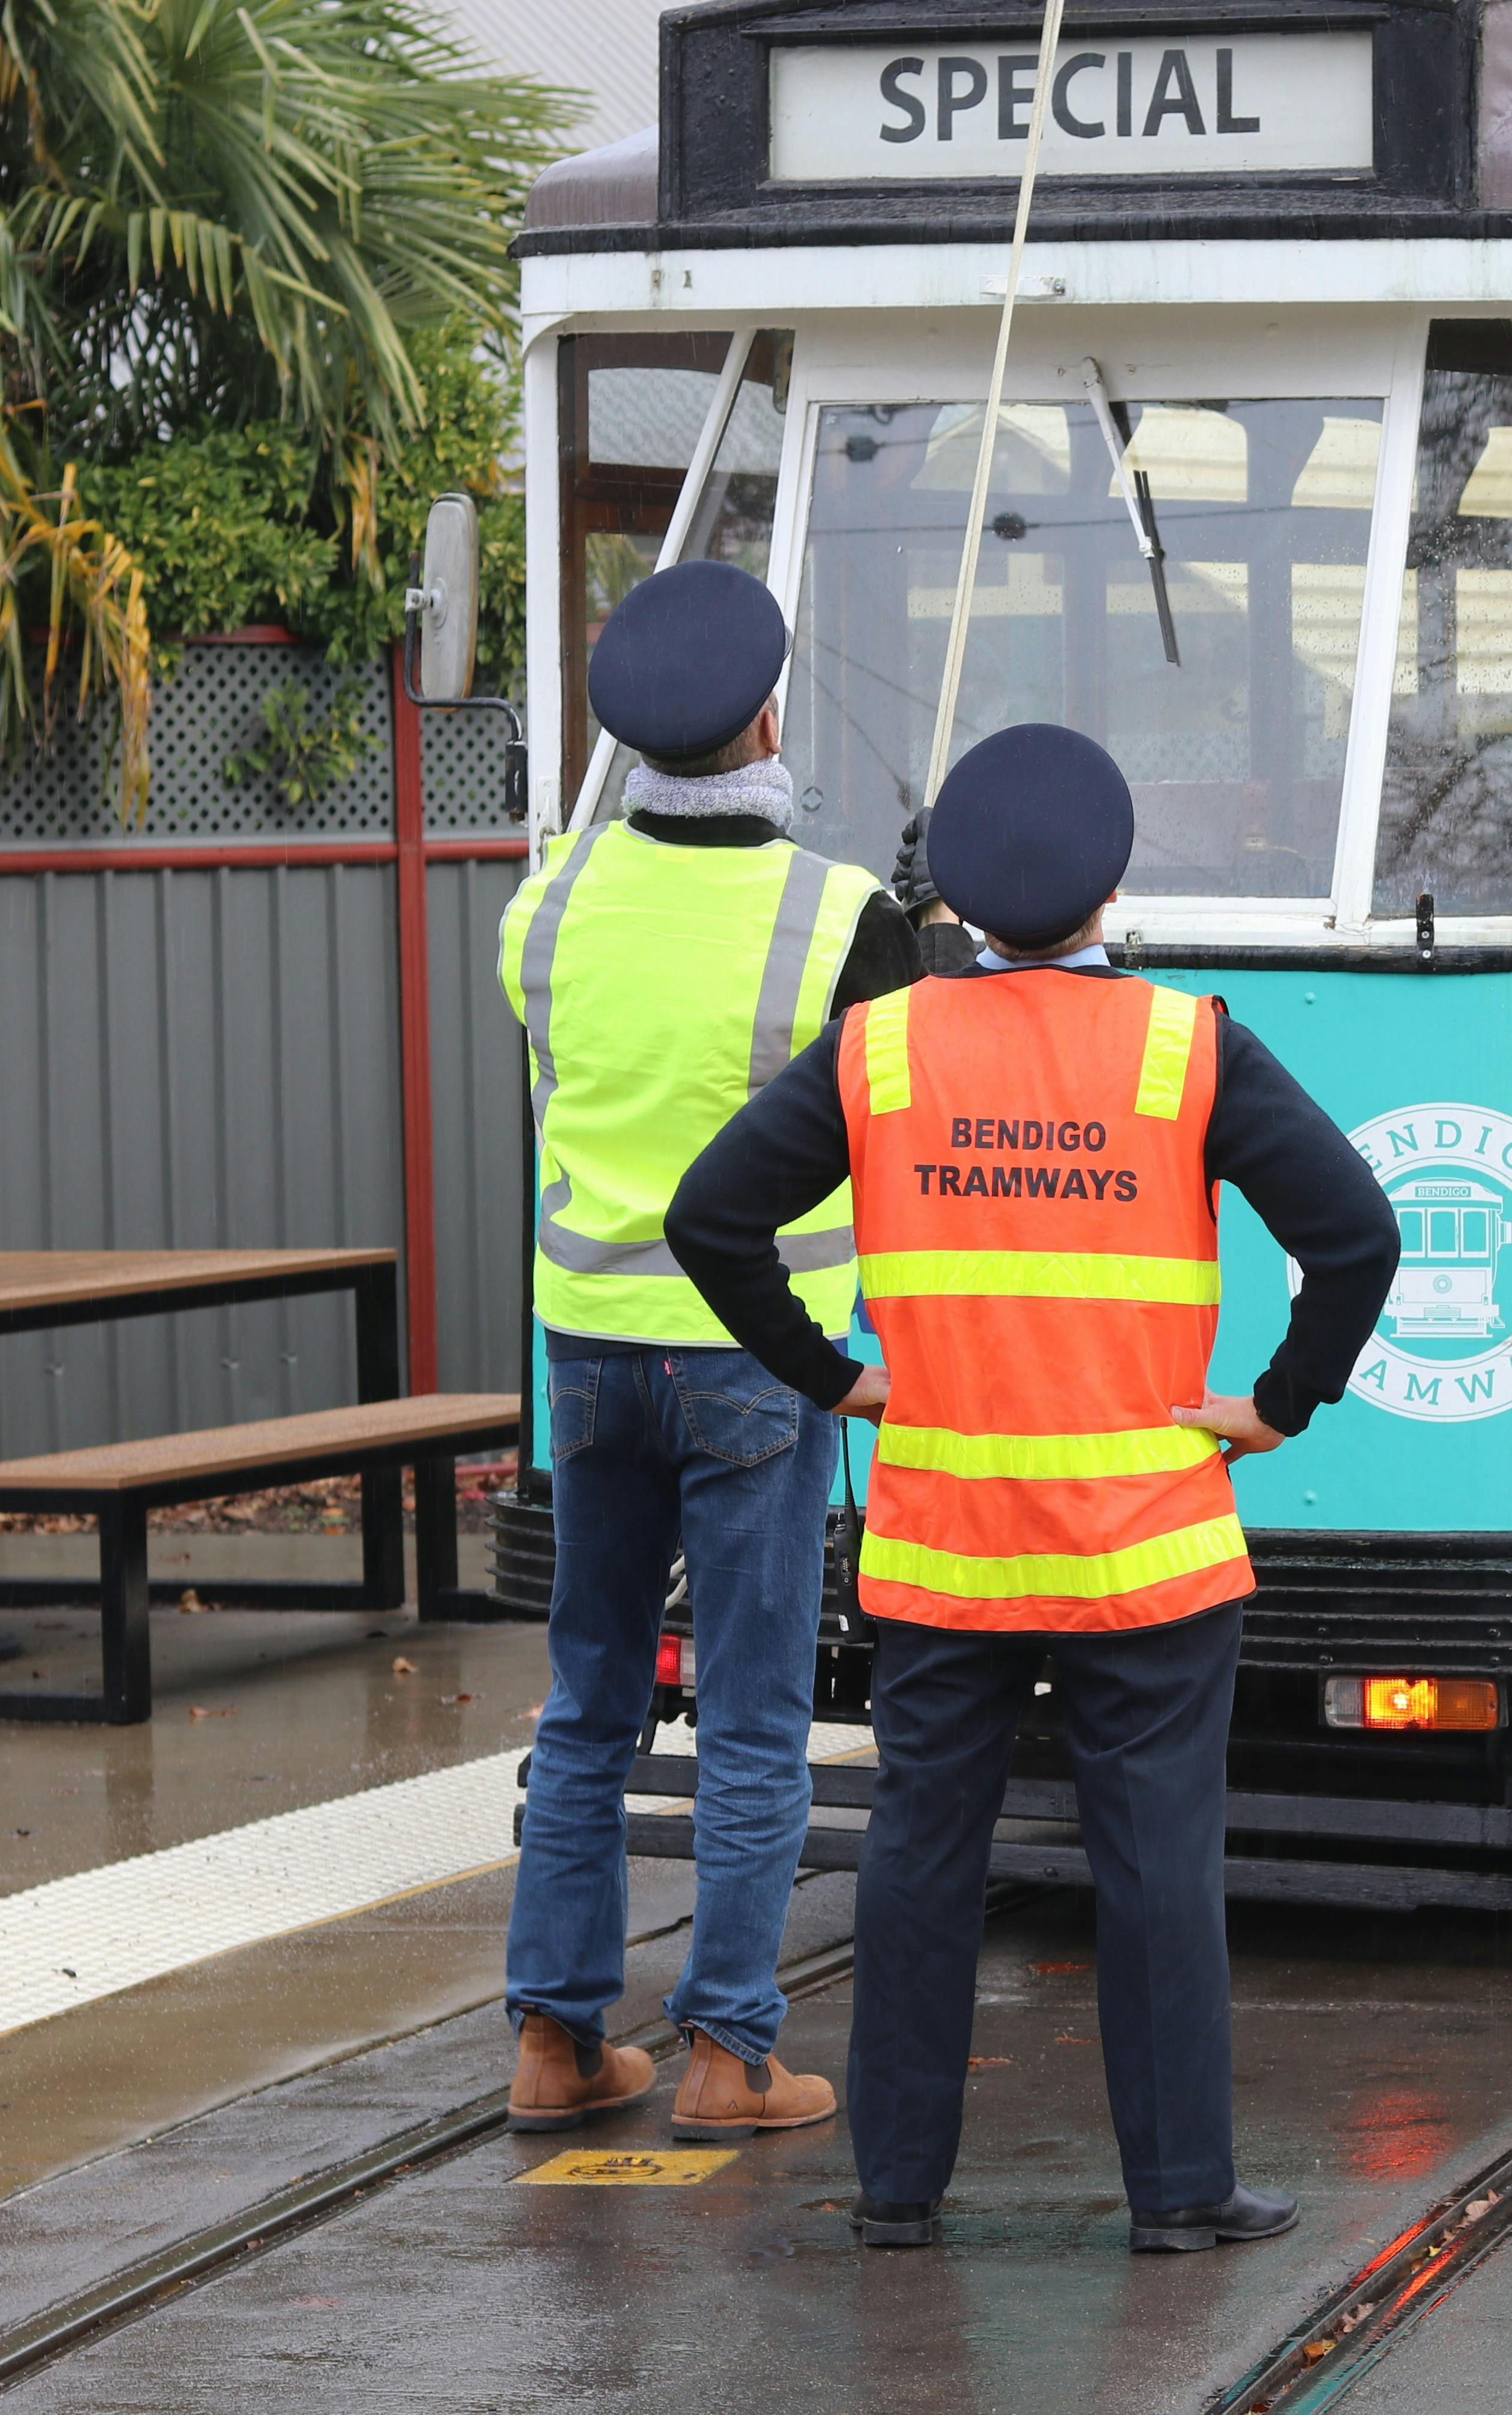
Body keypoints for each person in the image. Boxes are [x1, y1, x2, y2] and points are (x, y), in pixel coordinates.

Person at [666, 723, 1400, 2252]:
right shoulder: (1185, 1045)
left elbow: (711, 1215)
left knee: (921, 1860)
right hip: (1145, 1548)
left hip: (946, 1540)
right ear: (1110, 884)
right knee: (1156, 1874)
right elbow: (1358, 1234)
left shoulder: (880, 1045)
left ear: (966, 902)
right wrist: (1278, 1402)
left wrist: (829, 1374)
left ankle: (899, 2186)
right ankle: (1183, 2191)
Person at [494, 558, 921, 2142]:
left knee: (589, 1706)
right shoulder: (840, 916)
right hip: (760, 1356)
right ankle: (732, 2056)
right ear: (766, 721)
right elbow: (884, 1116)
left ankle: (552, 2042)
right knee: (751, 1718)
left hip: (587, 1356)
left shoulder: (544, 904)